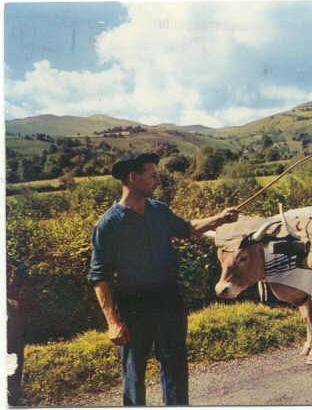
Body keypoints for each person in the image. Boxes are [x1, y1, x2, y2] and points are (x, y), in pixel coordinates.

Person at [89, 152, 238, 406]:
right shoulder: (108, 225)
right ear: (134, 178)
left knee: (175, 366)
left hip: (169, 300)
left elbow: (188, 228)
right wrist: (112, 322)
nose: (157, 180)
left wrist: (220, 219)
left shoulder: (159, 210)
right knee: (134, 372)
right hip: (133, 307)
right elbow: (99, 277)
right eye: (153, 175)